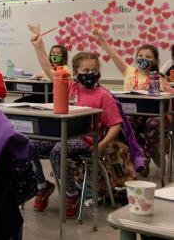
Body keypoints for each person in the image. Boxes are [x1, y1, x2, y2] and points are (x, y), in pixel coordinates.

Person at [29, 23, 123, 218]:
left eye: (94, 70)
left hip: (85, 139)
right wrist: (39, 46)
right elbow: (48, 67)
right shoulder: (69, 86)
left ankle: (72, 195)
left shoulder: (104, 95)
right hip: (61, 135)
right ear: (75, 72)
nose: (89, 73)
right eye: (85, 70)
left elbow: (116, 124)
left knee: (58, 150)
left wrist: (102, 144)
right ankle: (42, 186)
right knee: (28, 145)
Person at [92, 27, 172, 176]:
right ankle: (142, 153)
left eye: (148, 57)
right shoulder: (128, 71)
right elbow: (113, 54)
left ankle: (147, 155)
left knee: (153, 123)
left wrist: (165, 87)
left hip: (152, 117)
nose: (143, 58)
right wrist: (101, 39)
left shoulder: (158, 78)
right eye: (140, 55)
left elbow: (167, 99)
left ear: (154, 61)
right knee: (126, 122)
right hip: (132, 115)